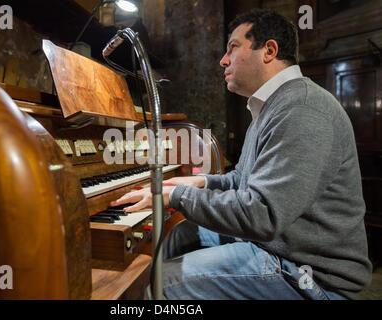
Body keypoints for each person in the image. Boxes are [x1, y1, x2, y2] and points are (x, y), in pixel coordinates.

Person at [110, 8, 372, 299]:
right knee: (181, 235)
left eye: (233, 48)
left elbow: (262, 214)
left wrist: (174, 196)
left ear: (269, 50)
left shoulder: (302, 109)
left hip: (309, 275)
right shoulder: (271, 106)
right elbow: (244, 180)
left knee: (162, 283)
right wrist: (202, 182)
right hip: (279, 246)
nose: (223, 60)